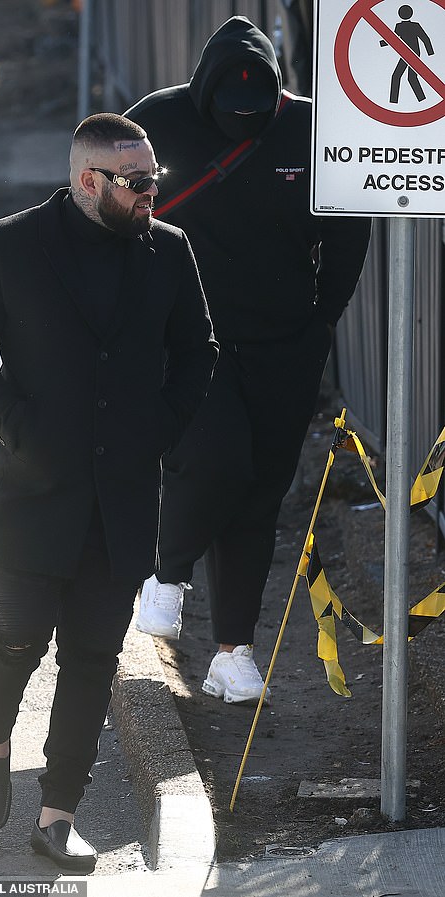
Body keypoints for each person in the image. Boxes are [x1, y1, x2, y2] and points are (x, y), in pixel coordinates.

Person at [0, 113, 217, 874]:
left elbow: (199, 350)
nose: (151, 192)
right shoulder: (8, 246)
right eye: (137, 182)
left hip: (121, 500)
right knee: (17, 638)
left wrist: (157, 429)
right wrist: (11, 424)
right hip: (31, 491)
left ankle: (59, 817)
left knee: (92, 658)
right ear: (90, 181)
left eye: (154, 177)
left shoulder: (169, 251)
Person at [126, 17, 371, 706]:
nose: (241, 124)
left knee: (260, 494)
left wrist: (320, 319)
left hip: (285, 343)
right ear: (202, 96)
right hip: (184, 338)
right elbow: (108, 207)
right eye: (227, 114)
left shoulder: (311, 131)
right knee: (217, 458)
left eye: (253, 115)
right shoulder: (155, 121)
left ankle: (234, 652)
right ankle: (167, 574)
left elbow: (349, 232)